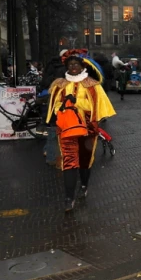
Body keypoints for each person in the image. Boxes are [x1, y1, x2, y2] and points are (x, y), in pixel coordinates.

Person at [46, 49, 116, 211]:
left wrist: (76, 102)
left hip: (87, 129)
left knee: (84, 161)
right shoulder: (59, 84)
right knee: (69, 161)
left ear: (82, 65)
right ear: (66, 66)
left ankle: (84, 185)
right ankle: (68, 198)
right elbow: (55, 106)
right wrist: (62, 107)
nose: (73, 66)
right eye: (70, 64)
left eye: (76, 64)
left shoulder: (92, 84)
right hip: (66, 128)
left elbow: (96, 107)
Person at [39, 49, 68, 166]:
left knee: (52, 128)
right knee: (55, 128)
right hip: (57, 100)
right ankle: (52, 156)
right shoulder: (62, 69)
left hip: (49, 97)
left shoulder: (52, 65)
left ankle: (49, 152)